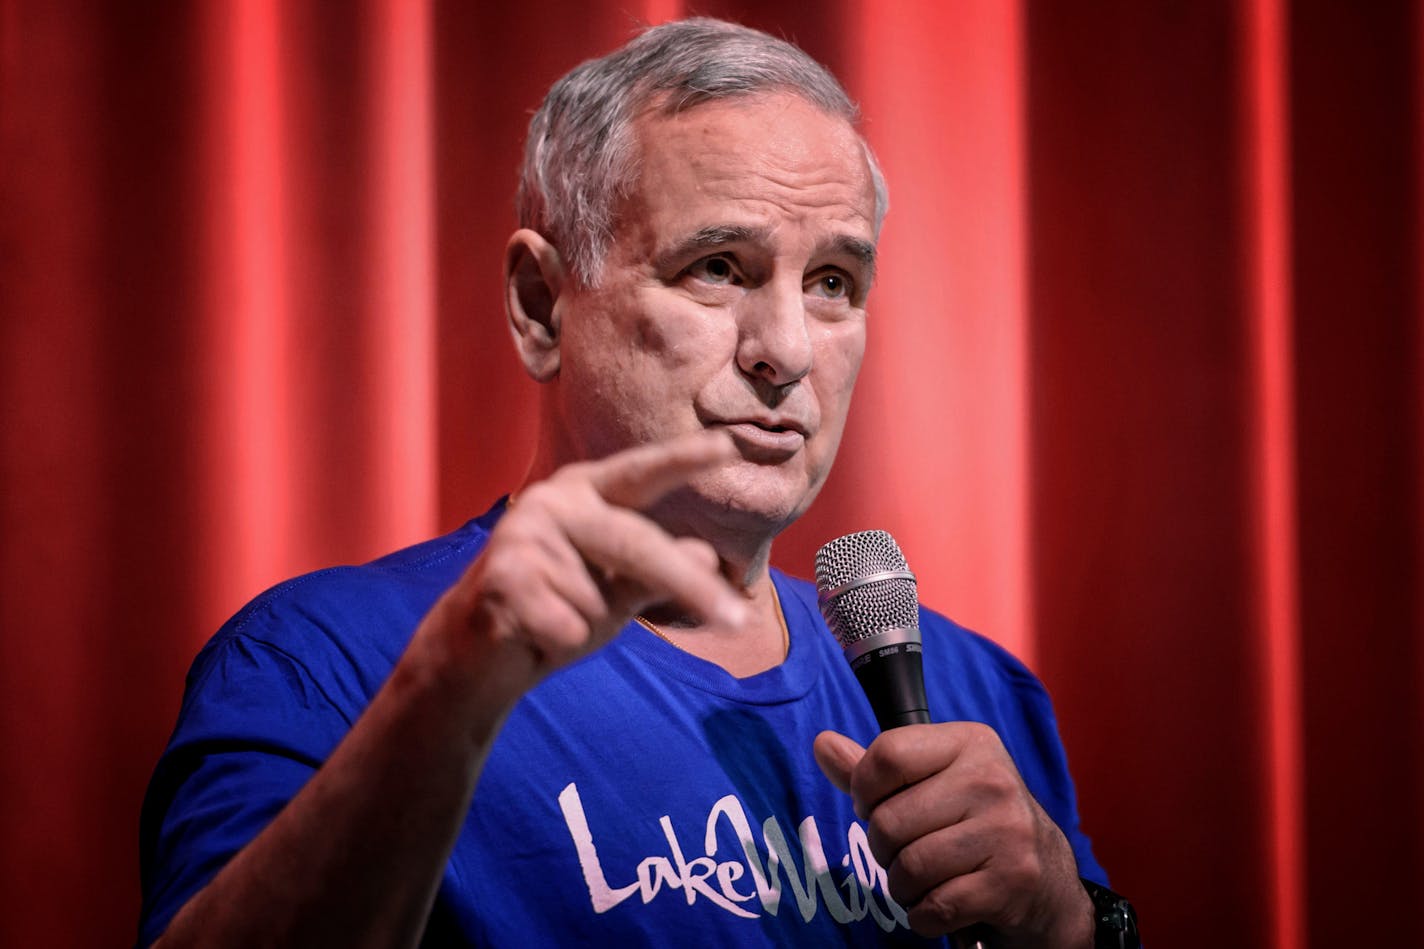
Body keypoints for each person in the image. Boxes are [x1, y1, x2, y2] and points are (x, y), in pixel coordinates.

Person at [139, 18, 1131, 948]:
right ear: (540, 308)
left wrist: (1064, 913)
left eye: (831, 281)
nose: (786, 350)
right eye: (716, 266)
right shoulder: (325, 663)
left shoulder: (977, 688)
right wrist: (444, 705)